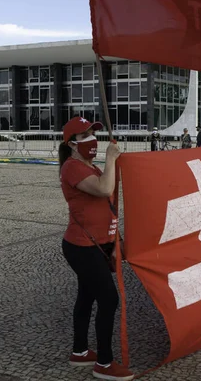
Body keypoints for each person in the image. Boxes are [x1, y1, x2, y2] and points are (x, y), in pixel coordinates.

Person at [58, 116, 134, 381]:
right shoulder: (72, 167)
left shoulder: (90, 167)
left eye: (92, 133)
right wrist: (111, 159)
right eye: (84, 136)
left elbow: (108, 208)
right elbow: (104, 191)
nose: (92, 139)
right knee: (109, 299)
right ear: (71, 144)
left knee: (87, 296)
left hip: (99, 244)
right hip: (81, 246)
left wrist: (116, 240)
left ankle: (79, 351)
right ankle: (104, 362)